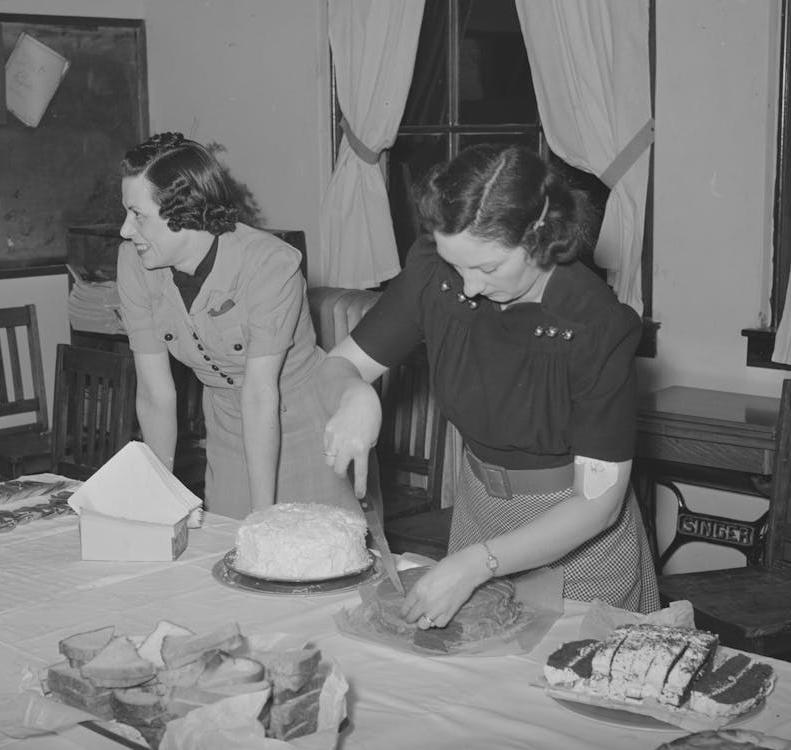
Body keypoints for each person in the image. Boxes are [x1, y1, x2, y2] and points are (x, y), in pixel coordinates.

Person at [318, 143, 659, 625]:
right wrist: (352, 394)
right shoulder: (437, 274)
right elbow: (337, 365)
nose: (469, 287)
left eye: (488, 268)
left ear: (541, 238)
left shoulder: (597, 326)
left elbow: (597, 504)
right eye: (457, 265)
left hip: (576, 542)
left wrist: (477, 564)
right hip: (479, 512)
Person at [117, 132, 358, 519]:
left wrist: (262, 515)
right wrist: (158, 499)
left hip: (302, 420)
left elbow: (262, 394)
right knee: (229, 550)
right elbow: (154, 394)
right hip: (228, 422)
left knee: (312, 555)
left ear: (183, 213)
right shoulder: (134, 263)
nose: (126, 231)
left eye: (138, 215)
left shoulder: (270, 265)